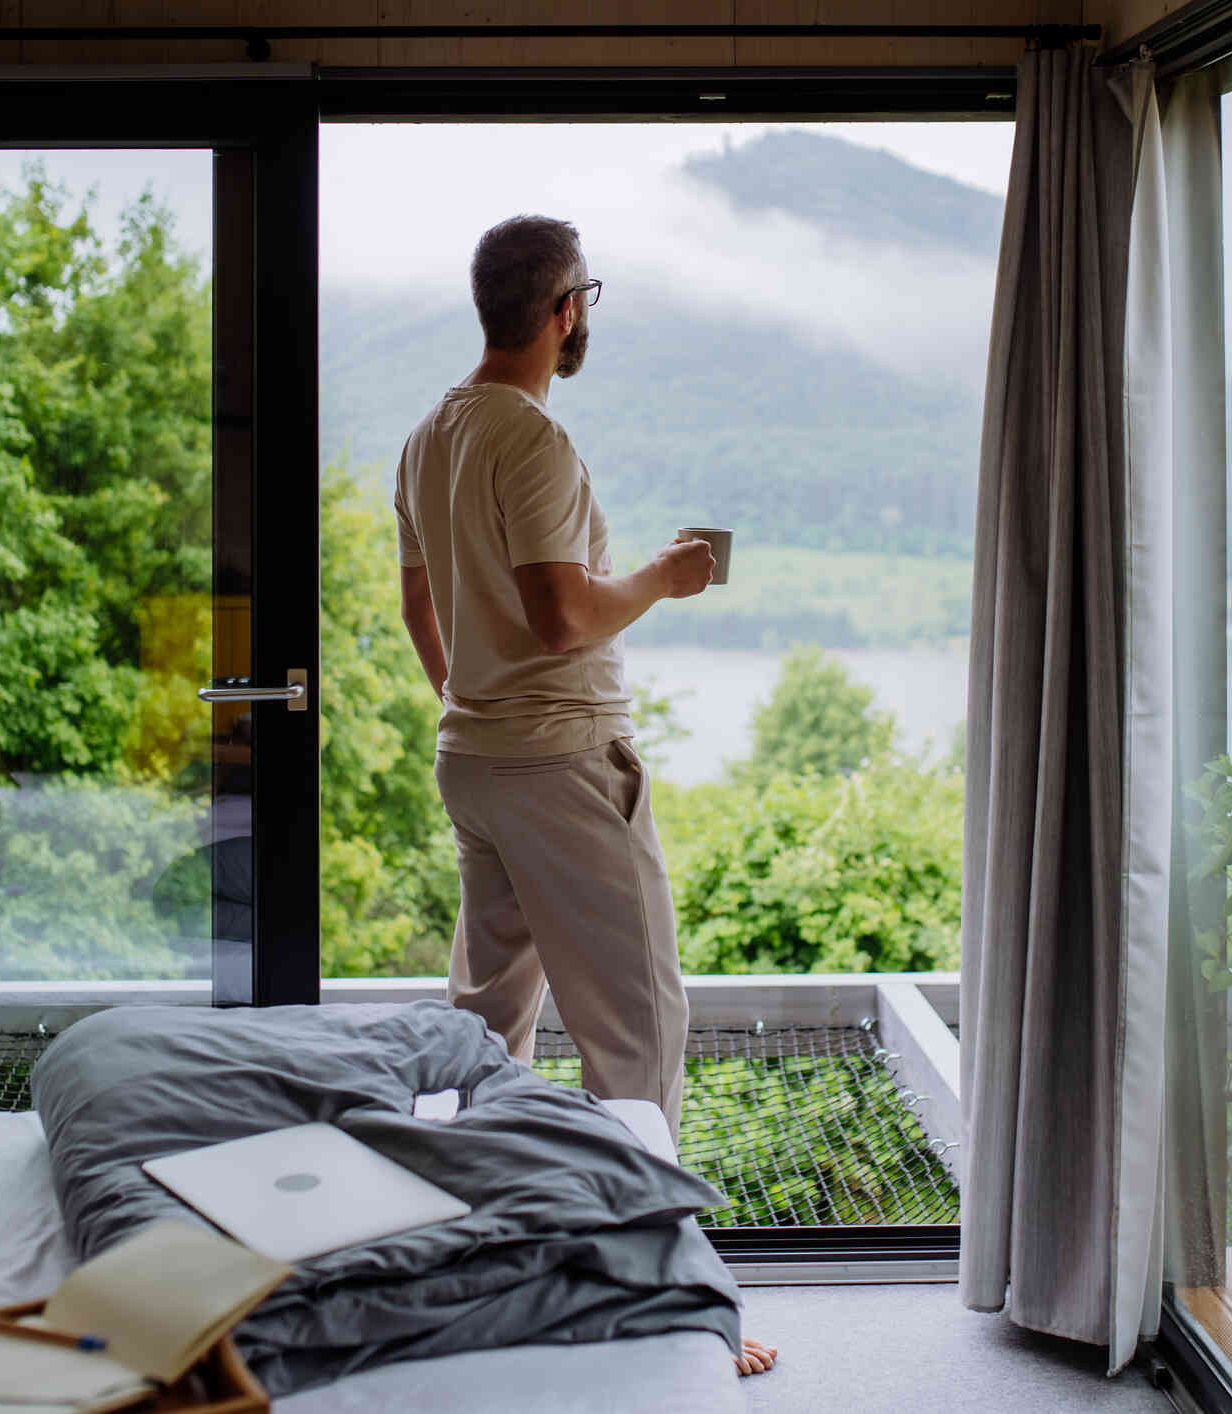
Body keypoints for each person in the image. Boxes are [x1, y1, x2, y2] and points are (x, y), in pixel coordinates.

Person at [392, 215, 775, 1379]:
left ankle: (466, 1260)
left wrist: (482, 706)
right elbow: (562, 616)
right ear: (564, 309)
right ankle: (662, 1296)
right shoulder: (533, 442)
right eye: (586, 299)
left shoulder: (427, 437)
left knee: (484, 1023)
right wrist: (662, 576)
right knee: (639, 1023)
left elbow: (425, 611)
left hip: (476, 759)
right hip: (561, 762)